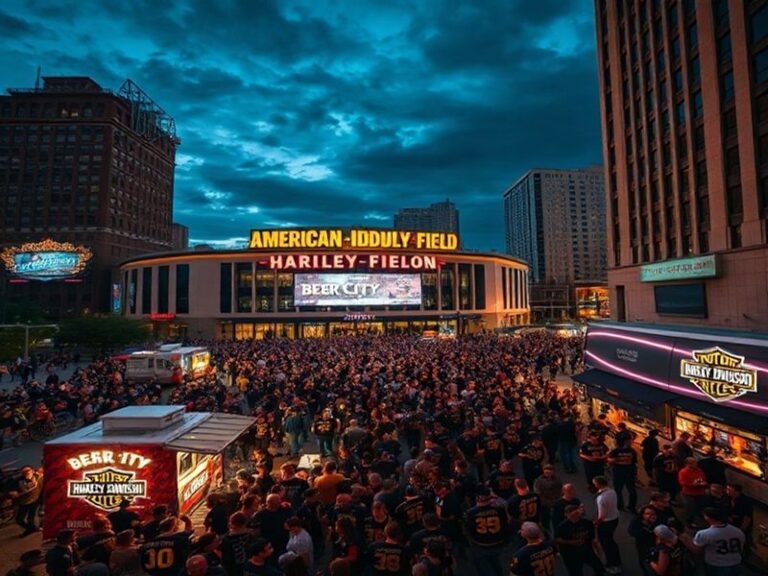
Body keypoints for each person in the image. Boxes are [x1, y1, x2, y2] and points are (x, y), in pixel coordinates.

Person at [463, 486, 509, 576]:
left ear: (478, 497)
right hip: (498, 541)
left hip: (481, 544)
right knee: (497, 564)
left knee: (484, 569)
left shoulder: (470, 513)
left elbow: (468, 529)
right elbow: (505, 523)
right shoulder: (499, 509)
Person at [688, 507, 745, 576]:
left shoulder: (704, 534)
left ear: (708, 518)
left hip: (716, 565)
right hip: (735, 563)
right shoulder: (738, 531)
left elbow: (697, 550)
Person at [555, 504, 605, 576]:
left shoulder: (587, 523)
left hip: (586, 551)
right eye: (572, 514)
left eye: (577, 513)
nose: (575, 516)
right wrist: (571, 542)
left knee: (599, 569)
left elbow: (593, 539)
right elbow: (557, 539)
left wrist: (600, 553)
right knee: (576, 573)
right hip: (570, 554)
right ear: (566, 515)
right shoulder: (562, 526)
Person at [593, 475, 622, 574]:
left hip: (606, 523)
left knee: (607, 545)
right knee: (611, 541)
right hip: (614, 518)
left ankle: (612, 564)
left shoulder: (601, 498)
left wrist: (596, 523)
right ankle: (617, 560)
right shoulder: (612, 491)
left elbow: (602, 516)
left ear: (598, 484)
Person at [608, 437, 638, 512]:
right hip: (630, 472)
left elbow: (610, 461)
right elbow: (634, 462)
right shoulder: (632, 451)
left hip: (618, 472)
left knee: (618, 489)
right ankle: (632, 506)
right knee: (632, 490)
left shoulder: (615, 451)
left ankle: (620, 505)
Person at [220, 512, 255, 576]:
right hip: (250, 566)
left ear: (232, 523)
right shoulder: (251, 535)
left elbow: (225, 558)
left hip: (233, 569)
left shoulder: (226, 539)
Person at [627, 506, 659, 576]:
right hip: (642, 545)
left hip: (656, 545)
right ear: (643, 515)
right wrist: (646, 532)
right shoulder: (636, 520)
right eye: (647, 514)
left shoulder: (658, 521)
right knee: (644, 561)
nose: (650, 516)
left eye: (653, 514)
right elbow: (631, 531)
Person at [678, 457, 708, 527]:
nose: (696, 464)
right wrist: (693, 484)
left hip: (700, 492)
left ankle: (700, 519)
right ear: (688, 464)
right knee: (690, 508)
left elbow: (703, 478)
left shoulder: (699, 470)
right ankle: (690, 522)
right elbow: (682, 482)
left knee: (700, 506)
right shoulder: (683, 472)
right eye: (694, 463)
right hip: (688, 493)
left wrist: (703, 483)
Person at [533, 464, 563, 532]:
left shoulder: (557, 480)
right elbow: (538, 493)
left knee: (557, 519)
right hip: (544, 503)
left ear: (553, 472)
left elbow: (560, 490)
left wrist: (557, 499)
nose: (548, 474)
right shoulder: (538, 481)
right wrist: (546, 501)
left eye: (550, 472)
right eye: (546, 472)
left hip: (556, 501)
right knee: (545, 521)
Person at [14, 466, 42, 536]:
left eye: (27, 471)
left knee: (31, 518)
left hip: (35, 501)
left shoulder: (38, 478)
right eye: (24, 472)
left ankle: (30, 530)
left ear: (32, 471)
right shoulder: (19, 480)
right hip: (24, 502)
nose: (26, 473)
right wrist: (12, 492)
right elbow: (11, 488)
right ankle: (31, 529)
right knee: (19, 520)